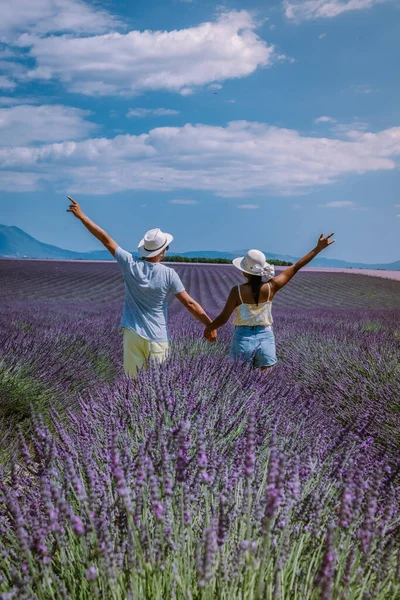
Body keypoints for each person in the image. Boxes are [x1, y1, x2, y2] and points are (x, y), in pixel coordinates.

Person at [67, 197, 216, 377]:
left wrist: (82, 216)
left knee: (133, 383)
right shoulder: (169, 274)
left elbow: (105, 239)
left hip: (133, 333)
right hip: (158, 336)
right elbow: (190, 304)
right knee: (159, 384)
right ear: (162, 251)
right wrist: (210, 325)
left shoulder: (130, 264)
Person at [204, 234, 335, 370]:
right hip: (265, 337)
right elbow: (296, 266)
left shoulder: (236, 291)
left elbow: (223, 318)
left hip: (242, 338)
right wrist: (318, 248)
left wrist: (210, 328)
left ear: (244, 272)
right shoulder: (271, 287)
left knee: (238, 380)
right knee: (266, 384)